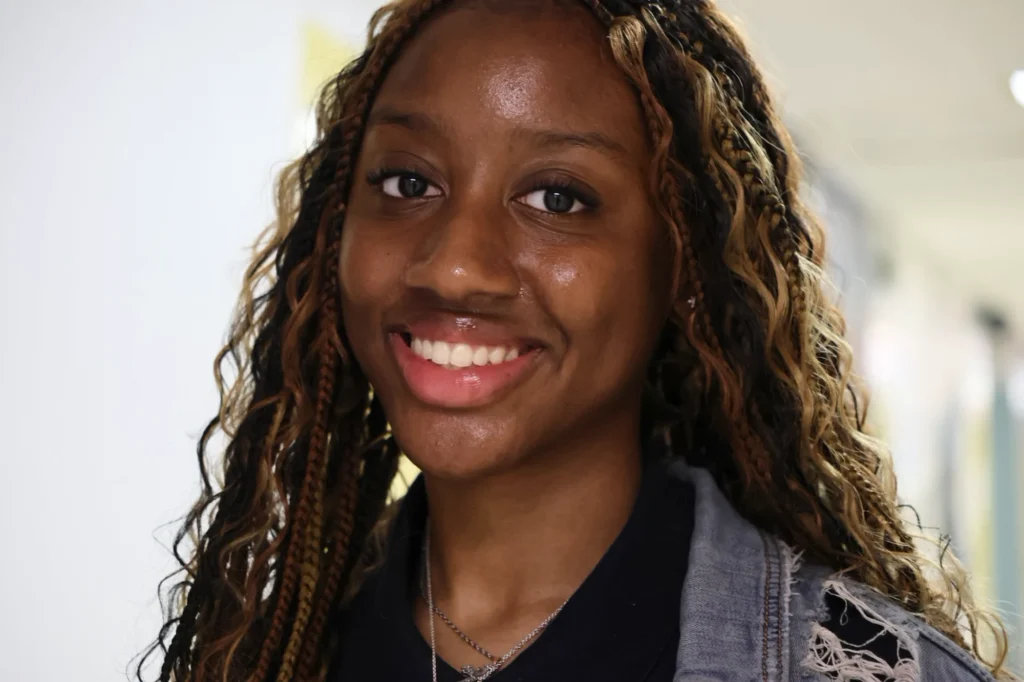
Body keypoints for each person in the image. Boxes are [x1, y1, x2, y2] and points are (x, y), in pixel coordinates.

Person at [140, 1, 1015, 680]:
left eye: (558, 197)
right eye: (408, 181)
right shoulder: (267, 649)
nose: (454, 268)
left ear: (681, 264)